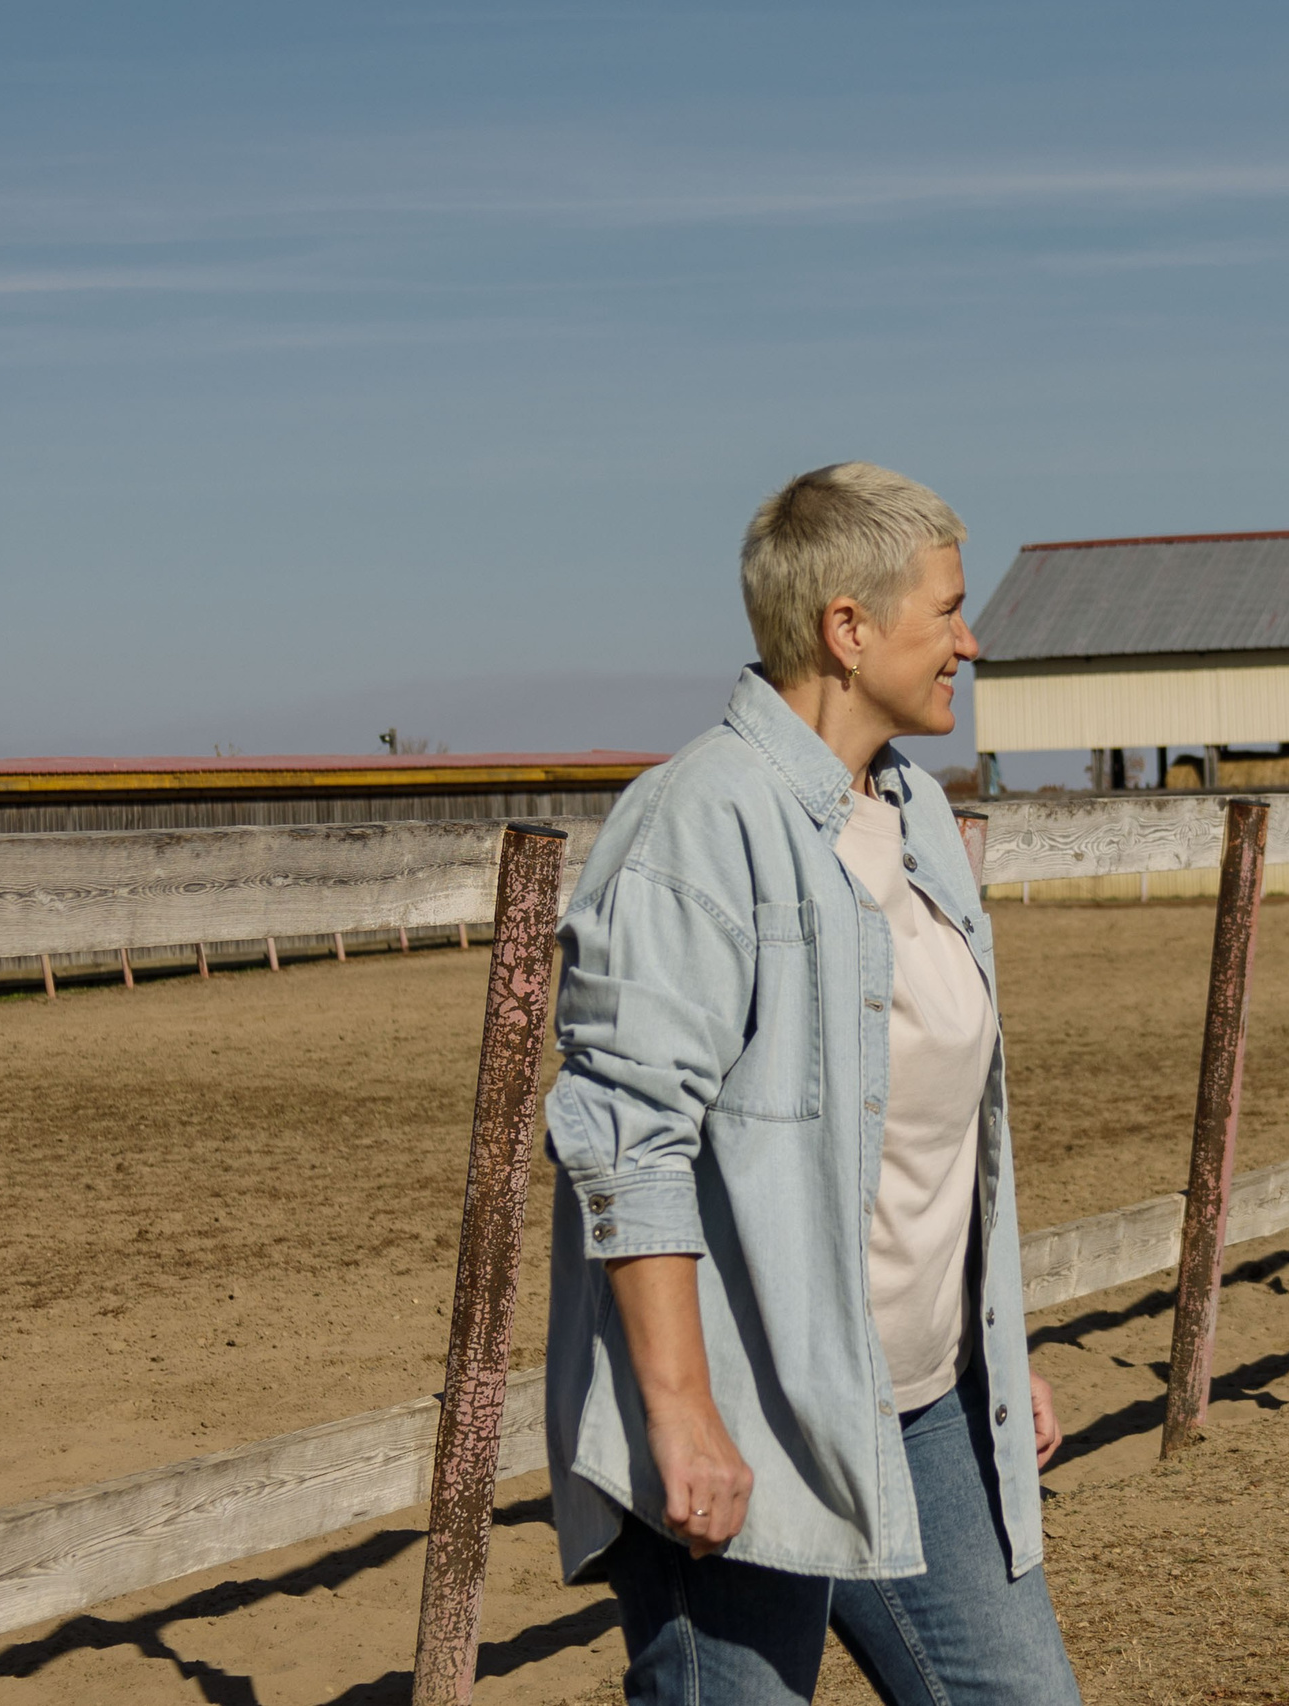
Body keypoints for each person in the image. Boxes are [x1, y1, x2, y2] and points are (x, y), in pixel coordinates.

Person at [540, 463, 1082, 1704]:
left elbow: (935, 1130)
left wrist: (994, 1344)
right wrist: (679, 1416)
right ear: (847, 627)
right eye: (944, 609)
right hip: (743, 1410)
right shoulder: (697, 822)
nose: (970, 638)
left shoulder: (916, 815)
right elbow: (628, 1136)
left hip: (923, 1398)